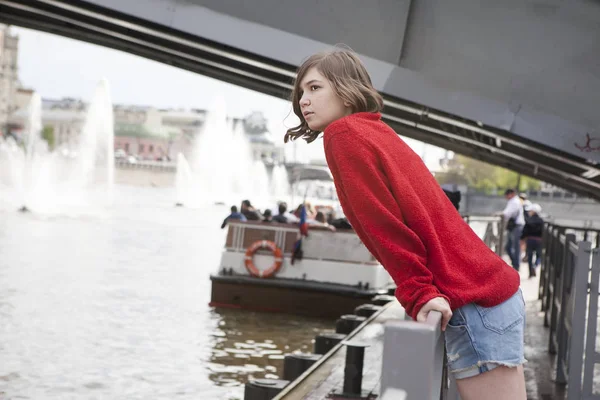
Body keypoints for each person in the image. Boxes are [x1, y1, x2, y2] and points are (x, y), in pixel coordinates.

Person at [283, 49, 526, 399]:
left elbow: (384, 226)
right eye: (301, 93)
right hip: (491, 293)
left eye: (315, 88)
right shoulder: (374, 129)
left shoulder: (344, 135)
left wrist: (419, 293)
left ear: (345, 88)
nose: (304, 101)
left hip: (473, 303)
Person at [502, 189, 526, 271]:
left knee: (515, 246)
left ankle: (516, 264)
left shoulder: (514, 201)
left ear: (511, 194)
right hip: (514, 226)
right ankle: (515, 263)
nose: (506, 197)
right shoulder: (514, 201)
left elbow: (507, 213)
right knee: (510, 246)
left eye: (507, 194)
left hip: (516, 226)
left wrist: (502, 214)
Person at [521, 203, 544, 278]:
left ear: (534, 211)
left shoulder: (529, 220)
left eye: (530, 211)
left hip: (530, 240)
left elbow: (525, 232)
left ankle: (530, 272)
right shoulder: (542, 221)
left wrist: (522, 239)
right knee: (539, 256)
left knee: (529, 256)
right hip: (539, 241)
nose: (529, 212)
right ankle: (535, 265)